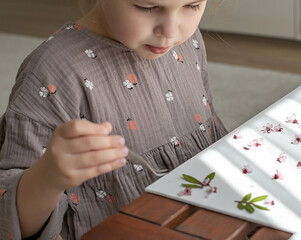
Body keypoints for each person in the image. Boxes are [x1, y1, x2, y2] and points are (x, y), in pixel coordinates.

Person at [0, 0, 227, 239]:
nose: (170, 32)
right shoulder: (52, 72)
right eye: (146, 7)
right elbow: (10, 222)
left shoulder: (188, 42)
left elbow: (210, 130)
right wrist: (48, 176)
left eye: (192, 5)